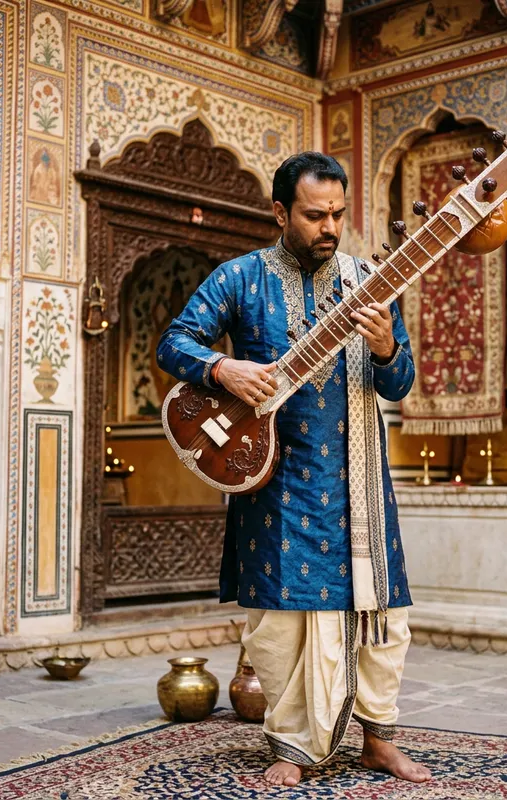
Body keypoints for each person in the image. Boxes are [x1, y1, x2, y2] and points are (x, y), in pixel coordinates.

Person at [156, 152, 431, 787]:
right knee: (280, 624)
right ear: (281, 213)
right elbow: (176, 342)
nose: (329, 227)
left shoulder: (369, 279)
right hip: (275, 479)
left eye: (337, 214)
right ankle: (291, 745)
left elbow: (403, 380)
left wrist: (388, 344)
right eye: (314, 215)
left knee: (381, 616)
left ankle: (379, 739)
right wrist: (223, 369)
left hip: (358, 477)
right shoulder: (240, 279)